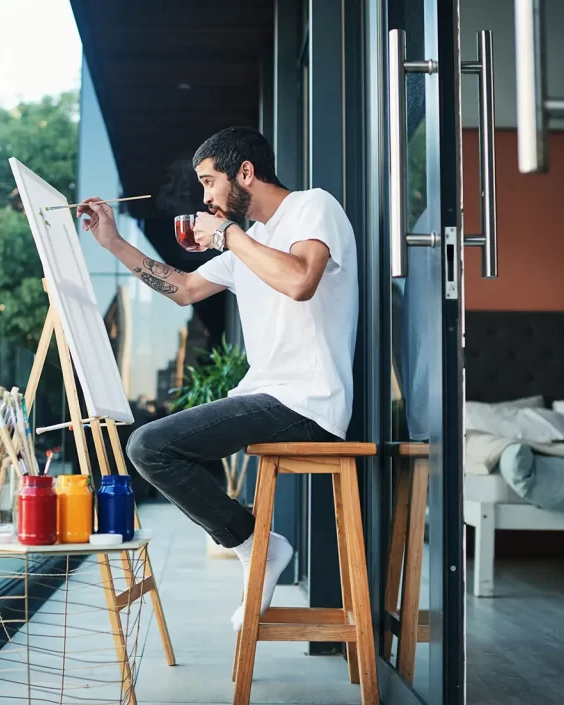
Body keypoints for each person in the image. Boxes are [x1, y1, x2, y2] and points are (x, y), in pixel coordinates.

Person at [76, 126, 358, 631]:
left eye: (210, 182)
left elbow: (299, 280)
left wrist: (228, 235)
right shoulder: (247, 246)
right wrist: (114, 242)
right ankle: (256, 542)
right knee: (149, 448)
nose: (205, 197)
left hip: (310, 402)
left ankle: (256, 544)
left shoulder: (313, 206)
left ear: (244, 173)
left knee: (149, 446)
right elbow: (183, 289)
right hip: (269, 397)